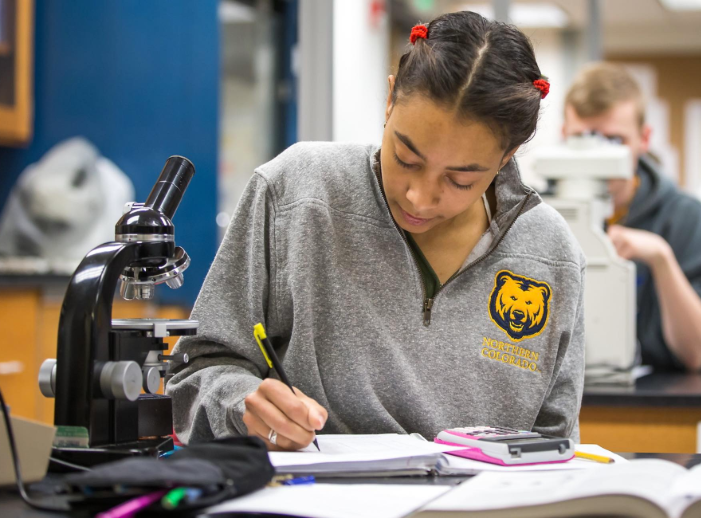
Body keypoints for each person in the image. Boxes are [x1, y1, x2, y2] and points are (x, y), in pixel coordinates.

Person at [167, 11, 586, 451]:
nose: (419, 198)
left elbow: (554, 446)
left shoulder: (550, 254)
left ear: (508, 156)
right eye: (406, 158)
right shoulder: (298, 193)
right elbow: (195, 375)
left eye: (460, 180)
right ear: (389, 101)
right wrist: (241, 404)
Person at [563, 63, 701, 373]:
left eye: (614, 142)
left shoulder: (686, 218)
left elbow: (697, 354)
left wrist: (661, 259)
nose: (600, 157)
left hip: (653, 405)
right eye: (583, 139)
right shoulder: (540, 215)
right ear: (564, 136)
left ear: (644, 138)